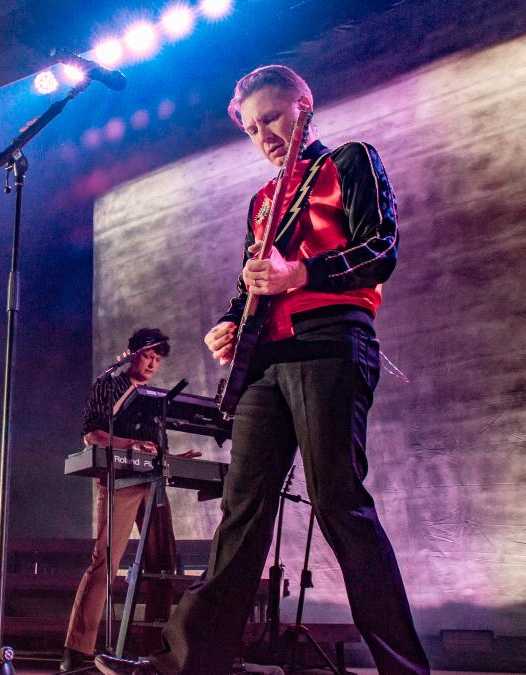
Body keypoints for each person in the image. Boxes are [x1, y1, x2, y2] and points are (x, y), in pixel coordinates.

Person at [96, 66, 429, 675]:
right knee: (242, 512)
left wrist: (299, 274)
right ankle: (189, 663)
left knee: (339, 505)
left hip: (329, 344)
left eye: (273, 118)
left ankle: (405, 669)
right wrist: (229, 321)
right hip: (265, 363)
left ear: (305, 106)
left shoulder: (350, 160)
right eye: (252, 128)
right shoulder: (261, 203)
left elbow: (381, 248)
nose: (265, 135)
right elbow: (254, 281)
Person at [61, 328, 196, 672]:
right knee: (104, 561)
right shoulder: (109, 386)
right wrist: (129, 445)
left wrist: (175, 456)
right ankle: (77, 650)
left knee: (162, 566)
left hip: (153, 481)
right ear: (132, 353)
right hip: (121, 479)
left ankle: (155, 655)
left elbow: (152, 444)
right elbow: (93, 434)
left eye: (157, 359)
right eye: (147, 356)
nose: (152, 363)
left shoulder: (154, 396)